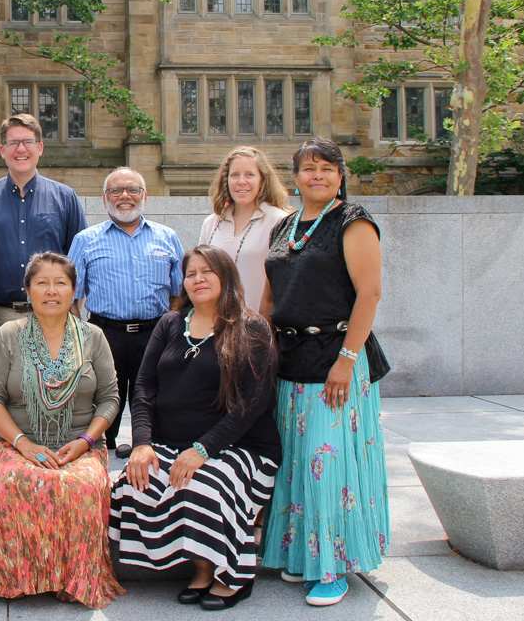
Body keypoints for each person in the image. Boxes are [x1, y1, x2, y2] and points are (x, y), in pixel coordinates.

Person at [0, 252, 123, 610]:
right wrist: (23, 444)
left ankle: (72, 580)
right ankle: (17, 577)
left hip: (82, 445)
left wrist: (86, 441)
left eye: (61, 283)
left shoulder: (94, 337)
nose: (52, 290)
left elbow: (110, 398)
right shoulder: (9, 335)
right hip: (15, 444)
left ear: (75, 291)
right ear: (28, 291)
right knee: (20, 481)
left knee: (81, 485)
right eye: (42, 282)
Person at [110, 245, 281, 611]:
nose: (198, 279)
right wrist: (142, 443)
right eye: (191, 273)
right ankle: (200, 566)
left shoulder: (251, 328)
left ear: (226, 277)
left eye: (207, 271)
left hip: (241, 447)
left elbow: (252, 403)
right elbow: (143, 388)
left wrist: (203, 449)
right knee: (135, 481)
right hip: (172, 443)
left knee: (200, 485)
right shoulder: (170, 324)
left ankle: (229, 573)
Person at [259, 136, 390, 607]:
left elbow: (369, 294)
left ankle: (334, 565)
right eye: (309, 168)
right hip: (290, 359)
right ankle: (304, 557)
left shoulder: (353, 222)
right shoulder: (288, 224)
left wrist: (346, 361)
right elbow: (271, 294)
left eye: (327, 168)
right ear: (294, 176)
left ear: (340, 175)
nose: (317, 175)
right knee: (296, 463)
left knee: (325, 464)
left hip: (337, 357)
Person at [69, 167, 183, 459]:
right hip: (106, 335)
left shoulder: (167, 237)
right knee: (104, 401)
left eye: (132, 189)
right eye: (115, 191)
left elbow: (179, 292)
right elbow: (72, 296)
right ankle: (101, 454)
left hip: (155, 335)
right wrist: (81, 337)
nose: (124, 197)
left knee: (153, 400)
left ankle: (148, 453)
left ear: (145, 196)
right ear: (104, 199)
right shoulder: (85, 240)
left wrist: (169, 329)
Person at [0, 113, 86, 350]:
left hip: (51, 316)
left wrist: (72, 308)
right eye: (13, 143)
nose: (21, 149)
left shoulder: (65, 198)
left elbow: (80, 259)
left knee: (51, 386)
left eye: (28, 142)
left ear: (40, 147)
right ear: (2, 150)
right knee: (0, 388)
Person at [199, 146, 290, 312]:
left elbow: (284, 282)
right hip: (216, 324)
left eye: (250, 174)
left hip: (258, 325)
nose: (242, 181)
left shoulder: (278, 221)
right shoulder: (211, 223)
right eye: (235, 175)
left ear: (262, 180)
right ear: (226, 180)